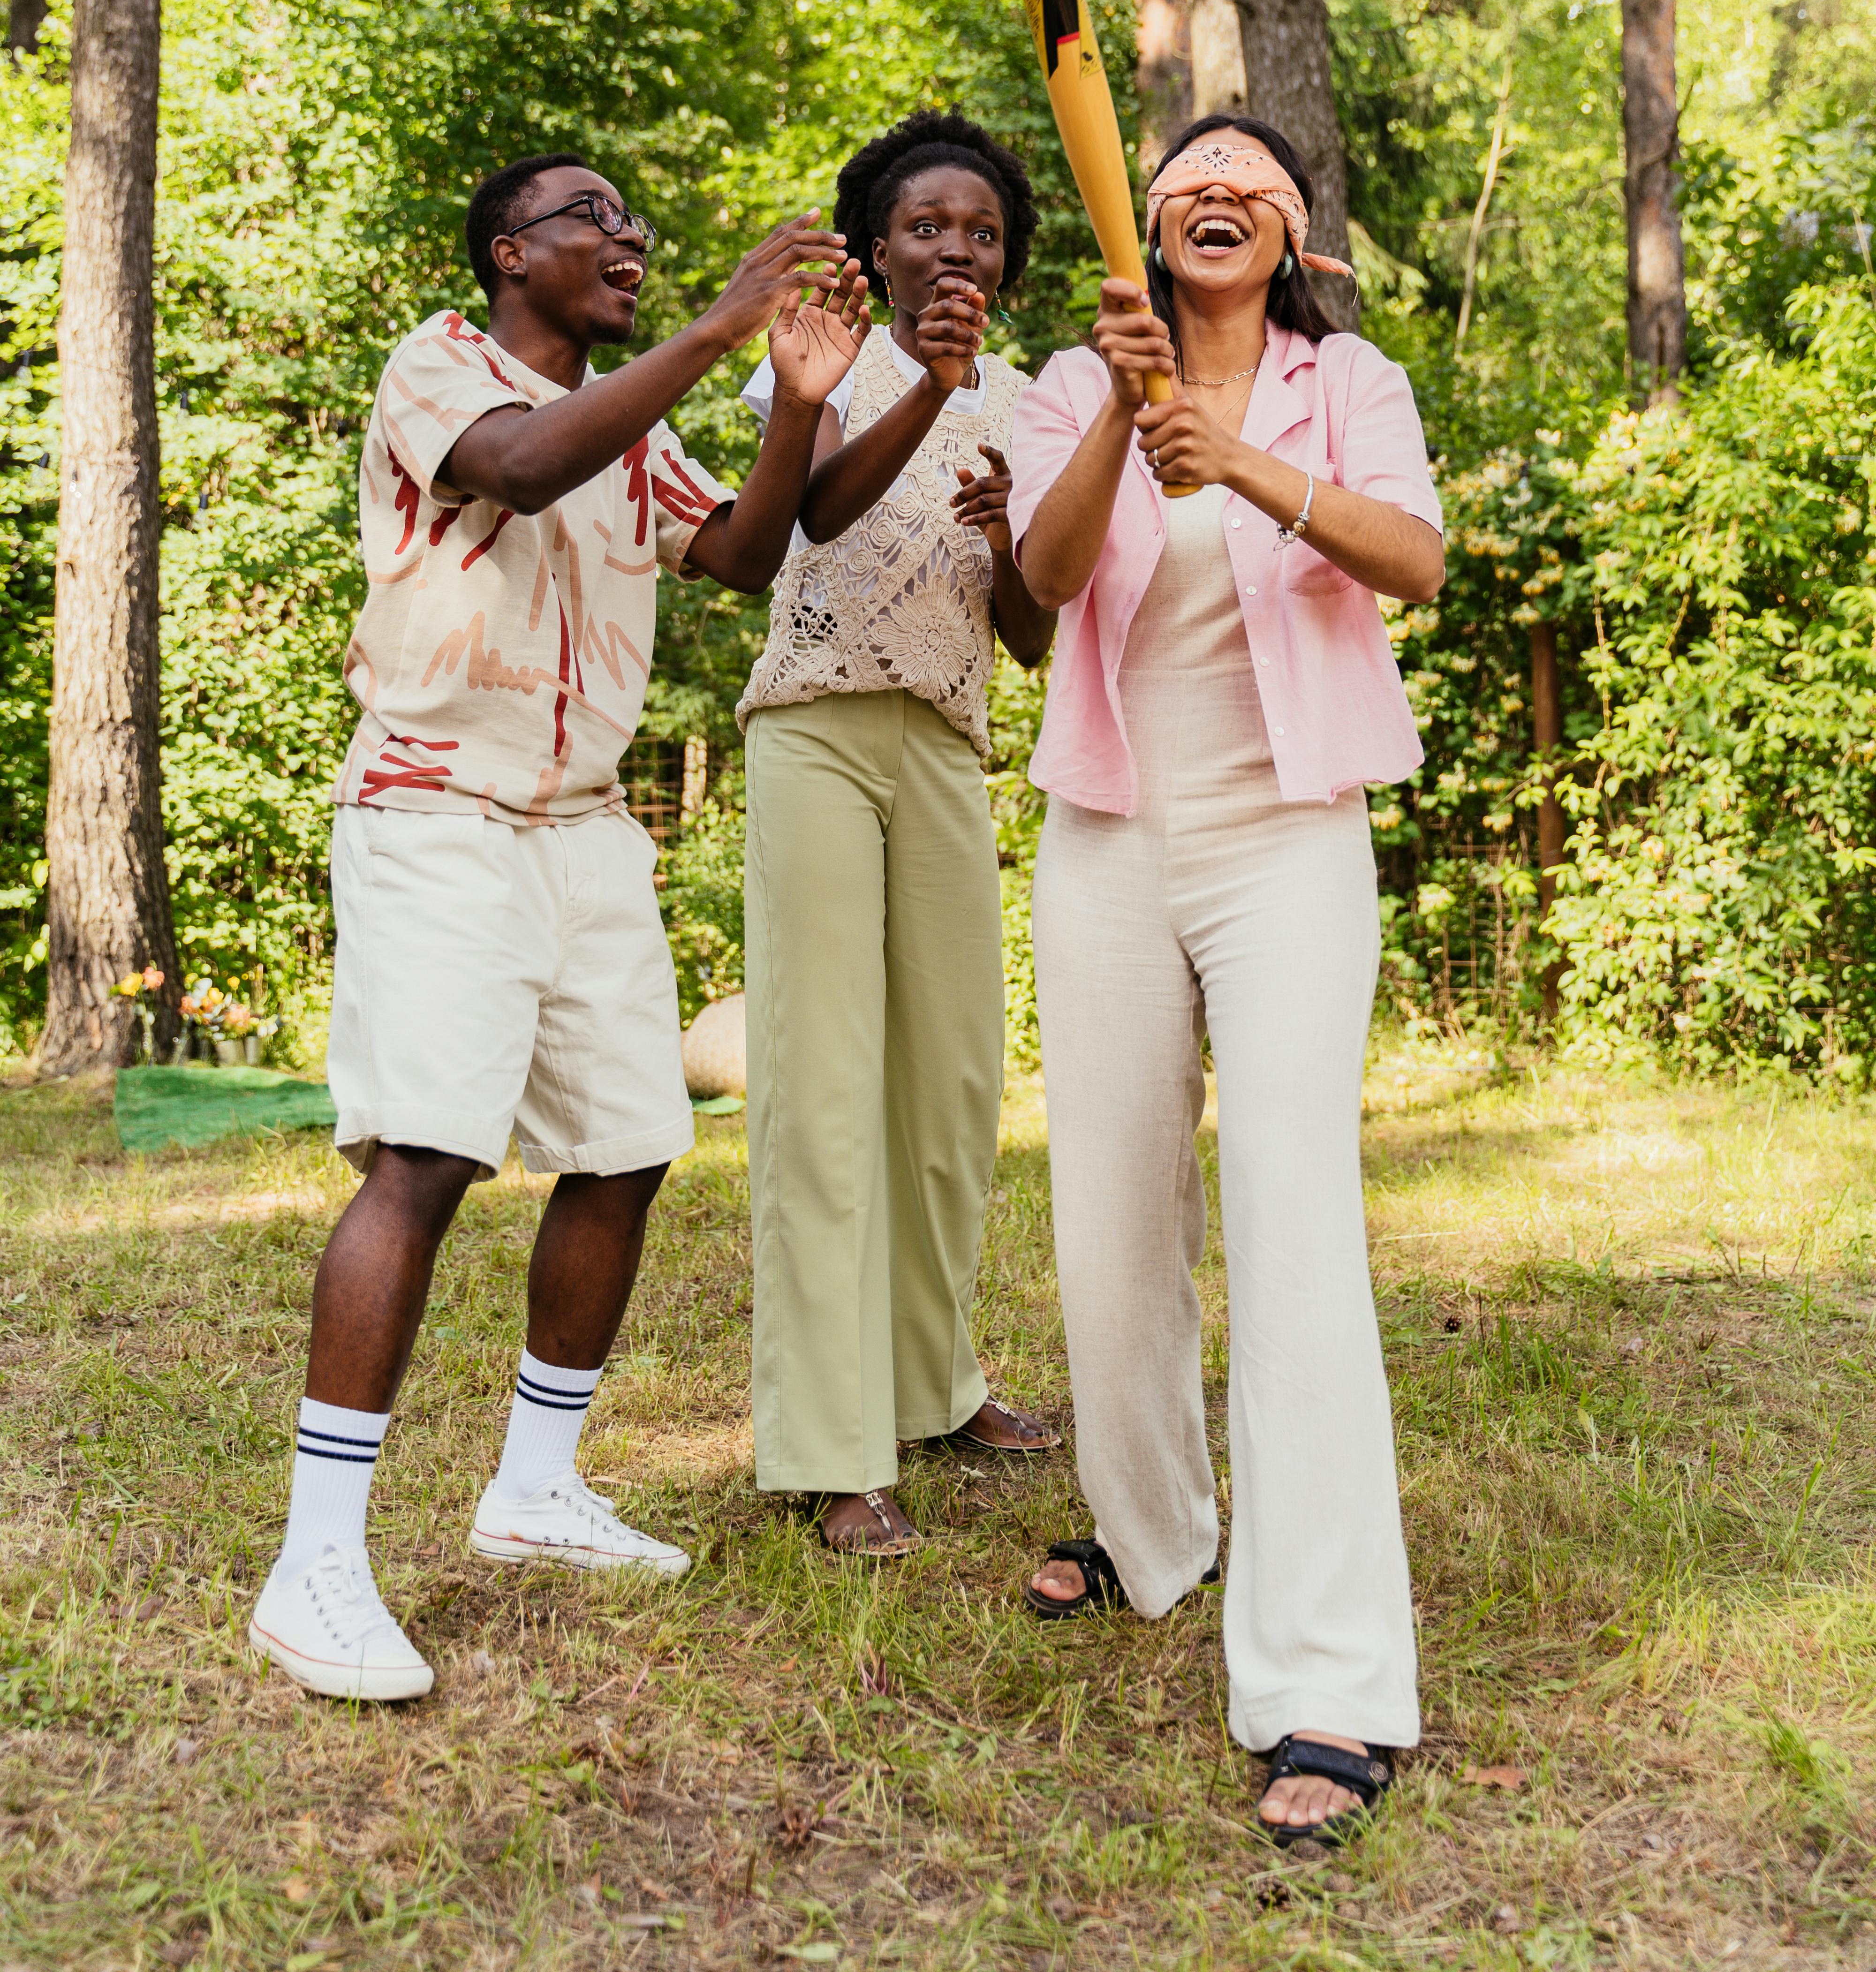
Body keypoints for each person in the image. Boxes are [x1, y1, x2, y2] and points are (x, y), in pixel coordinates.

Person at [249, 154, 869, 1703]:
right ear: (511, 250)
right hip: (436, 810)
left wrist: (798, 397)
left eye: (635, 224)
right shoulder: (439, 367)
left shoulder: (636, 426)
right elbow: (518, 469)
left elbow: (737, 553)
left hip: (586, 830)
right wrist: (729, 330)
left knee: (627, 1144)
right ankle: (314, 1558)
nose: (631, 237)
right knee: (428, 1158)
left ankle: (536, 1487)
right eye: (594, 216)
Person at [1006, 115, 1446, 1849]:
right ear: (1154, 225)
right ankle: (1156, 1532)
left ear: (1294, 239)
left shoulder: (1356, 388)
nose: (1218, 191)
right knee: (1113, 1218)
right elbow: (1042, 586)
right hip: (1112, 830)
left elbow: (1410, 561)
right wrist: (1126, 415)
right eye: (1189, 172)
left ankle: (1329, 1676)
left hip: (1289, 840)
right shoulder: (1075, 378)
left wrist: (1240, 459)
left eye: (1255, 182)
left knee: (1290, 1219)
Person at [736, 110, 1059, 1557]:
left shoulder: (1028, 398)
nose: (956, 248)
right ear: (877, 242)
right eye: (928, 225)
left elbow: (1034, 638)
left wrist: (1007, 538)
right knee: (823, 1088)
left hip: (943, 744)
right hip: (814, 728)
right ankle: (833, 1445)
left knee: (952, 1090)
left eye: (982, 232)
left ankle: (936, 1385)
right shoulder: (821, 354)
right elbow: (807, 515)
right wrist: (928, 390)